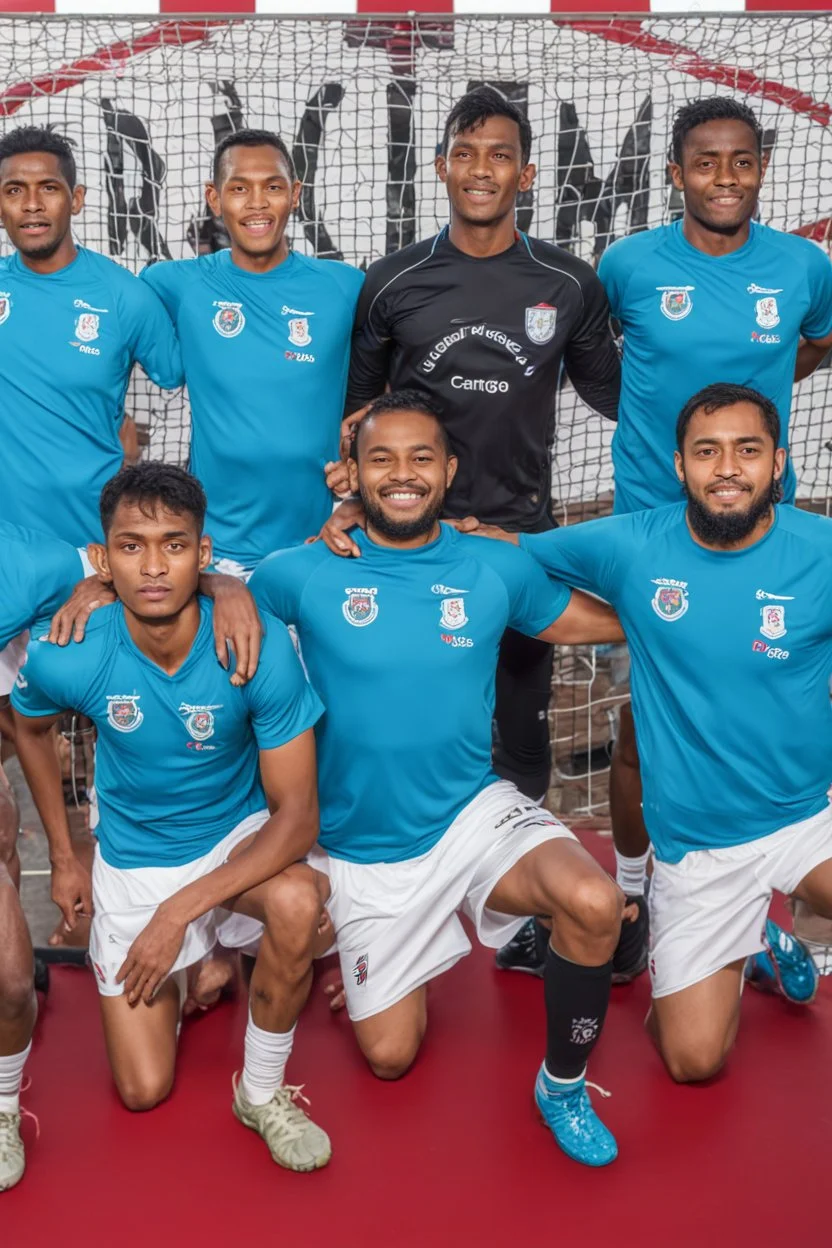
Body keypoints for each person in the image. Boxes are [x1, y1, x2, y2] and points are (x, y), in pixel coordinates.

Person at [250, 391, 627, 1168]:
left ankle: (562, 1086)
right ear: (350, 474)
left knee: (594, 903)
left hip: (468, 817)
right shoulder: (300, 573)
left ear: (450, 470)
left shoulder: (490, 563)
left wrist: (699, 597)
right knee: (389, 1056)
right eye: (381, 458)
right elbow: (219, 605)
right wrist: (220, 587)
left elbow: (595, 621)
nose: (403, 474)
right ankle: (399, 946)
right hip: (361, 850)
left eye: (422, 457)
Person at [463, 383, 832, 1081]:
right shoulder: (630, 545)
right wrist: (365, 518)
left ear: (778, 463)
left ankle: (763, 927)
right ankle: (756, 941)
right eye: (707, 451)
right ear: (679, 467)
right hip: (700, 848)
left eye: (747, 451)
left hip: (807, 819)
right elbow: (502, 550)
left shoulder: (822, 552)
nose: (727, 468)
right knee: (691, 1061)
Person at [12, 464, 332, 1172]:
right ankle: (206, 967)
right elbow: (29, 725)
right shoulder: (70, 650)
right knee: (143, 1091)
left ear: (204, 552)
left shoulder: (254, 642)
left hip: (235, 836)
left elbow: (299, 818)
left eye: (174, 545)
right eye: (131, 547)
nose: (154, 566)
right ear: (102, 559)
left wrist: (178, 915)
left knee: (299, 900)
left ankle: (262, 1090)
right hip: (135, 854)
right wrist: (66, 856)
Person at [581, 96, 832, 980]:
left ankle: (764, 914)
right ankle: (636, 889)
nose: (724, 178)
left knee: (764, 717)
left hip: (763, 534)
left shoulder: (804, 266)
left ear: (763, 168)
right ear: (676, 172)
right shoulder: (627, 265)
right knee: (644, 731)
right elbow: (596, 352)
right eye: (705, 162)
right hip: (652, 533)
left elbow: (815, 344)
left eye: (741, 161)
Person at [323, 86, 620, 810]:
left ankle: (516, 903)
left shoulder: (568, 283)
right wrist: (351, 496)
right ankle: (412, 886)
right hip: (412, 542)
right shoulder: (393, 281)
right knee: (405, 716)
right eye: (464, 154)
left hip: (520, 539)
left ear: (525, 174)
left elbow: (621, 402)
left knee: (520, 729)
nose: (480, 170)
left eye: (499, 156)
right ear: (439, 166)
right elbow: (359, 418)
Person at [141, 128, 364, 579]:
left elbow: (397, 384)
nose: (257, 203)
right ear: (214, 198)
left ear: (295, 194)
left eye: (273, 187)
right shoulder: (173, 284)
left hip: (321, 545)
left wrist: (362, 449)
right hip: (216, 553)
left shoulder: (344, 286)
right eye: (239, 188)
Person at [0, 126, 183, 546]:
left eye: (48, 188)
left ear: (76, 199)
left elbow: (184, 389)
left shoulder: (126, 296)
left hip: (90, 546)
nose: (31, 205)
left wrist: (146, 482)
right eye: (14, 191)